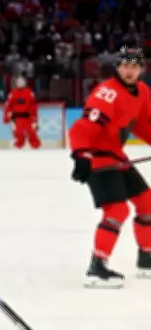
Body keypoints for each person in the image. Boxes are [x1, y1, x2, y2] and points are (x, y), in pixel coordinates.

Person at [69, 46, 151, 288]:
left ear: (141, 69)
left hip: (117, 156)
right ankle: (97, 266)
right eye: (125, 66)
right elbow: (81, 128)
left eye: (134, 66)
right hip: (97, 157)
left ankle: (146, 258)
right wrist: (81, 155)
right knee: (117, 210)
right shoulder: (107, 93)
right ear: (117, 67)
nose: (129, 71)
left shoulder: (142, 91)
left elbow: (143, 125)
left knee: (147, 203)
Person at [3, 76, 40, 149]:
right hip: (16, 117)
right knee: (18, 132)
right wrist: (6, 117)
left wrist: (35, 118)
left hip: (27, 117)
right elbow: (7, 106)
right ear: (16, 83)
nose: (20, 83)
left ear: (25, 83)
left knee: (31, 131)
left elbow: (33, 106)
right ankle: (18, 145)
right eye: (18, 82)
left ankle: (36, 145)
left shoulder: (29, 92)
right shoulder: (12, 93)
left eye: (22, 81)